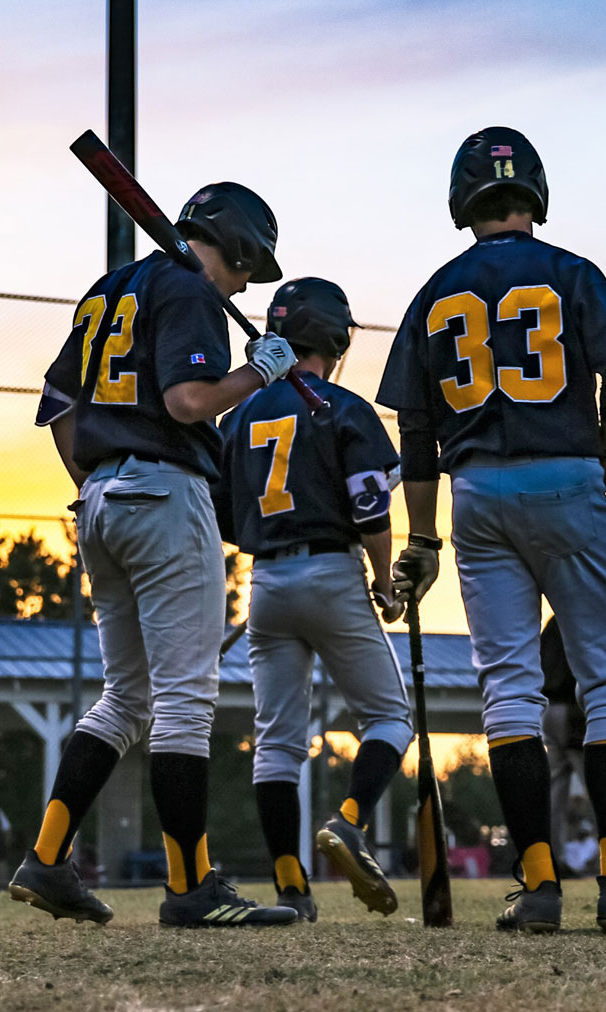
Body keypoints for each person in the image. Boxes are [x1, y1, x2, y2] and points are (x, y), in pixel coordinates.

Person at [380, 126, 606, 934]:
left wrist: (421, 539)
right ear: (534, 192)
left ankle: (536, 885)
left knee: (510, 689)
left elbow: (415, 433)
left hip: (476, 495)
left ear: (464, 200)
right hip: (564, 475)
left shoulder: (434, 293)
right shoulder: (569, 271)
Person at [10, 181, 301, 929]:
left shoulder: (109, 290)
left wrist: (95, 483)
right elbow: (188, 403)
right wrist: (258, 374)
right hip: (165, 495)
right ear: (234, 246)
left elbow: (57, 403)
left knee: (126, 697)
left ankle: (46, 859)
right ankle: (190, 888)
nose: (242, 283)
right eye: (248, 268)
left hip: (100, 502)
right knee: (182, 699)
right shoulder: (190, 287)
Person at [215, 276, 412, 923]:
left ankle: (290, 891)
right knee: (388, 718)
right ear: (335, 336)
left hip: (264, 581)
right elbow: (370, 507)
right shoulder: (343, 407)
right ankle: (350, 822)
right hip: (330, 571)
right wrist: (384, 583)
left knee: (277, 744)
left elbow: (222, 517)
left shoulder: (238, 413)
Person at [538, 615, 589, 869]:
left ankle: (555, 857)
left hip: (548, 708)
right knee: (595, 784)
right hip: (571, 709)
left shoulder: (550, 626)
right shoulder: (577, 617)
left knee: (556, 788)